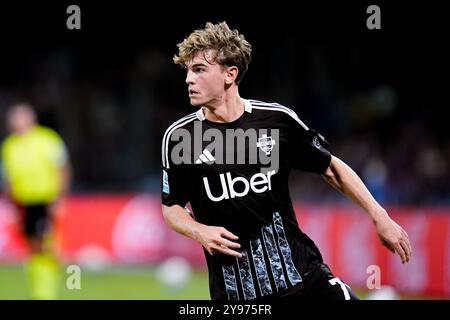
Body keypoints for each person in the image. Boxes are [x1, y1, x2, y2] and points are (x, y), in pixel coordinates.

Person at [161, 21, 412, 300]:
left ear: (230, 74)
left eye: (198, 70)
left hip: (303, 277)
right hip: (237, 294)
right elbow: (172, 206)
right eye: (187, 71)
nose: (188, 79)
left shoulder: (276, 120)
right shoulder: (180, 137)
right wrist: (200, 231)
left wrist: (380, 217)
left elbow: (330, 167)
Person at [1, 102, 71, 299]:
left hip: (44, 199)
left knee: (44, 245)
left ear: (32, 119)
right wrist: (10, 203)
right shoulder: (10, 146)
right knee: (32, 246)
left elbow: (62, 167)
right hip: (23, 202)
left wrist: (59, 196)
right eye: (15, 119)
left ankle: (47, 291)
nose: (18, 122)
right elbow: (8, 177)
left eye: (21, 118)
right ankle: (38, 288)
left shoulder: (47, 140)